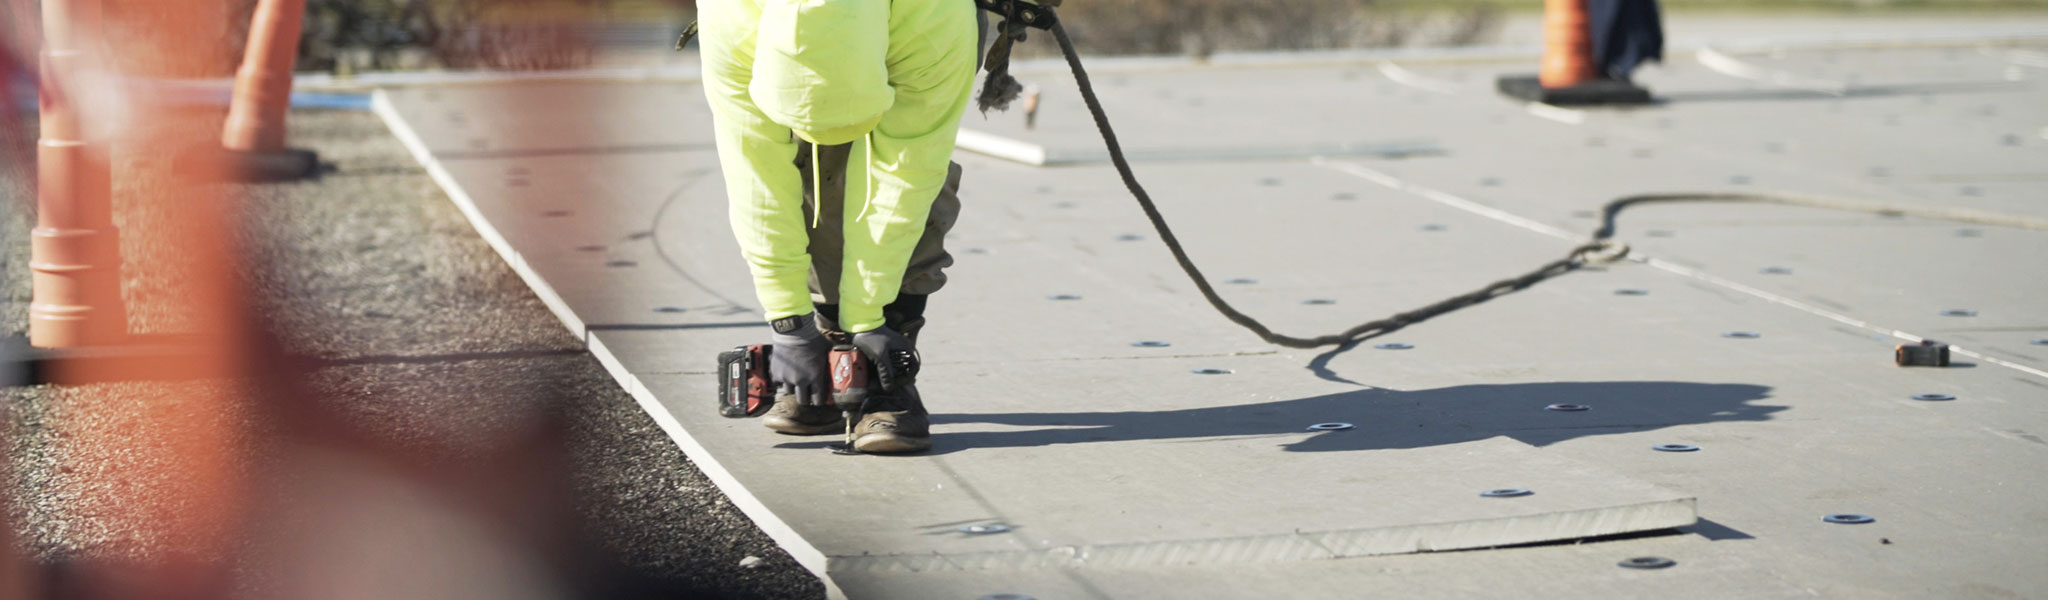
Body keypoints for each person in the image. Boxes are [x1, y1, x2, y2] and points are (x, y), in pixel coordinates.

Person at [697, 0, 981, 453]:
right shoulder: (732, 19)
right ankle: (829, 352)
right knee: (814, 178)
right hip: (762, 43)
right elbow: (756, 176)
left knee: (923, 193)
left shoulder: (936, 21)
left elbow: (906, 172)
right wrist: (788, 324)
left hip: (916, 30)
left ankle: (885, 370)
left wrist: (868, 318)